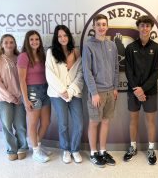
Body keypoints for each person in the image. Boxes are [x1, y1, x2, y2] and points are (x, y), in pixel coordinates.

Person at [123, 15, 158, 165]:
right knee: (133, 120)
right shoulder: (130, 48)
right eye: (142, 25)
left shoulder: (157, 48)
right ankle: (133, 147)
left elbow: (156, 72)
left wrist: (143, 89)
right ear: (138, 27)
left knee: (150, 121)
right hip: (133, 91)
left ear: (150, 28)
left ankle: (151, 149)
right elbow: (128, 71)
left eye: (147, 26)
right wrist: (137, 90)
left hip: (149, 92)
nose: (145, 28)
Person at [82, 14, 119, 168]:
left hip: (111, 91)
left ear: (107, 26)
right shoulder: (88, 46)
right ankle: (93, 153)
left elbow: (116, 68)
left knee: (105, 122)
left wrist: (115, 87)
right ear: (94, 27)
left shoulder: (112, 45)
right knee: (94, 122)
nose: (102, 27)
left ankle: (103, 151)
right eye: (99, 25)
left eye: (104, 24)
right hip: (97, 92)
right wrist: (94, 92)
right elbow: (87, 71)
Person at [46, 25, 84, 164]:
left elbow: (81, 74)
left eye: (65, 35)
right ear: (56, 38)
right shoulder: (51, 52)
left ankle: (75, 149)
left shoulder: (76, 52)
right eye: (60, 36)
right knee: (63, 124)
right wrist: (62, 91)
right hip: (57, 94)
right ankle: (66, 150)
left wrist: (71, 91)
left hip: (74, 93)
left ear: (69, 36)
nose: (63, 38)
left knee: (79, 124)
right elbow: (50, 74)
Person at [0, 34, 28, 161]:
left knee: (20, 124)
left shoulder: (19, 58)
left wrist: (20, 96)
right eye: (6, 42)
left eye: (11, 42)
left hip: (19, 98)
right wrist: (10, 97)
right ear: (1, 44)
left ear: (15, 44)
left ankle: (22, 147)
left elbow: (24, 79)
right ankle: (11, 149)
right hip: (4, 99)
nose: (9, 45)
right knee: (7, 124)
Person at [17, 30, 51, 163]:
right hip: (32, 92)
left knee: (46, 122)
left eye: (37, 39)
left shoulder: (42, 54)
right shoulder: (24, 56)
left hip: (45, 90)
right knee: (33, 122)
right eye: (32, 39)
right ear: (27, 41)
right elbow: (21, 80)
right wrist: (26, 100)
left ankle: (37, 145)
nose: (35, 42)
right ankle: (36, 152)